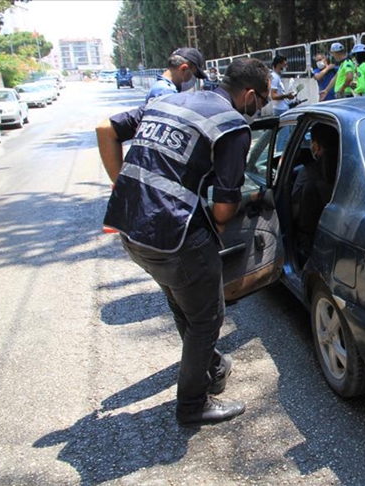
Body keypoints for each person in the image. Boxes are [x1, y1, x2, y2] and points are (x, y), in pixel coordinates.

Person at [96, 58, 272, 425]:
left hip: (130, 227)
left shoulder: (167, 100)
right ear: (250, 95)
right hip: (173, 238)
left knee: (184, 304)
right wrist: (238, 212)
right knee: (207, 318)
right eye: (264, 100)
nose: (262, 108)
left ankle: (210, 367)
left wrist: (123, 185)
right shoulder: (231, 126)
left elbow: (104, 130)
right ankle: (193, 406)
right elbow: (224, 208)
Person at [291, 123, 338, 265]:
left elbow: (294, 213)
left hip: (309, 244)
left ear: (316, 146)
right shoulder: (350, 169)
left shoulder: (306, 175)